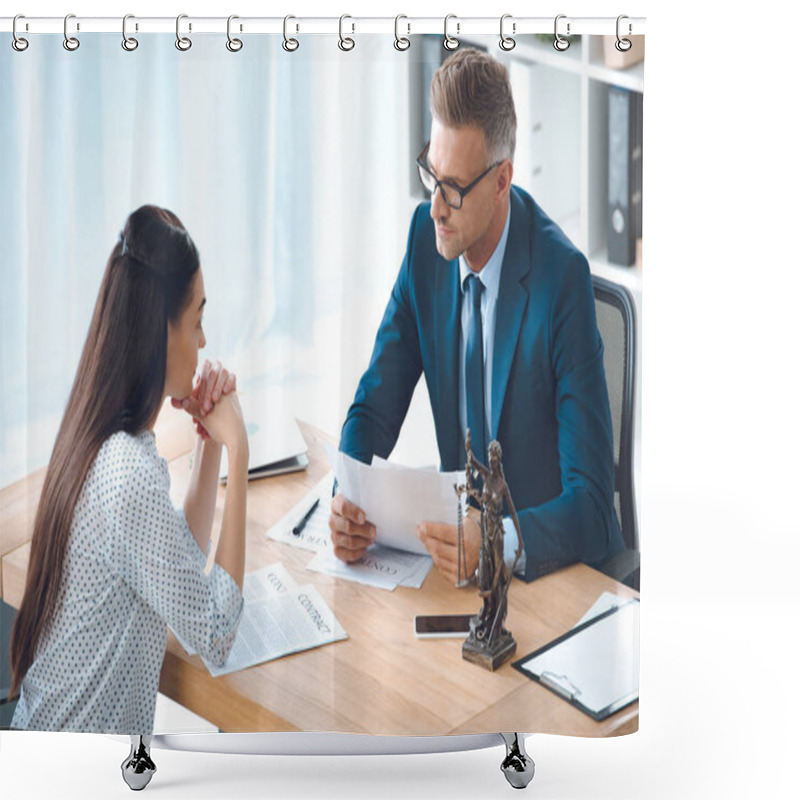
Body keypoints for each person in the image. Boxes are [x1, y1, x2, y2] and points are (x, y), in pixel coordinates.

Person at [329, 48, 625, 583]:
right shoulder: (427, 241)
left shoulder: (561, 282)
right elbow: (373, 409)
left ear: (501, 180)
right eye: (430, 175)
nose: (436, 206)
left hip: (546, 582)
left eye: (455, 189)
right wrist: (346, 497)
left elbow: (594, 508)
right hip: (463, 580)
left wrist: (497, 541)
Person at [9, 205, 249, 734]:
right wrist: (240, 452)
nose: (204, 341)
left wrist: (209, 444)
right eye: (197, 321)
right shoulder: (127, 475)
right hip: (75, 781)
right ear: (160, 333)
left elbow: (174, 566)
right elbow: (213, 633)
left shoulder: (102, 439)